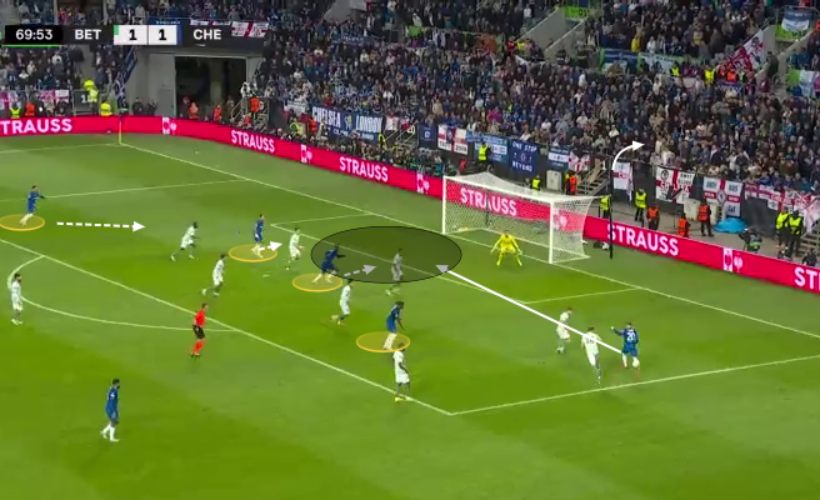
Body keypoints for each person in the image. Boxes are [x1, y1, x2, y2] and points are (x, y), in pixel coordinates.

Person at [100, 378, 120, 442]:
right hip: (111, 408)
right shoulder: (113, 391)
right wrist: (113, 411)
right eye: (118, 383)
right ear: (116, 383)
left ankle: (104, 432)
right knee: (114, 422)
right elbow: (112, 401)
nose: (119, 384)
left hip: (111, 408)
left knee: (115, 421)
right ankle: (111, 438)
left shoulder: (112, 389)